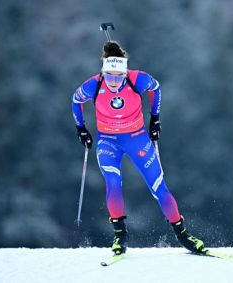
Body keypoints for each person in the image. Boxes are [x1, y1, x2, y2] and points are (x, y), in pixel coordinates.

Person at [72, 41, 205, 255]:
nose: (114, 82)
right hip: (108, 141)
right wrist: (81, 128)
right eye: (109, 76)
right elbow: (75, 100)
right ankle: (120, 236)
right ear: (102, 72)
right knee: (113, 183)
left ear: (125, 73)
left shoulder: (137, 79)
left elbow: (156, 88)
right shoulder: (94, 85)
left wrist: (155, 119)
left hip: (137, 138)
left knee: (159, 187)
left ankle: (183, 235)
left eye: (118, 77)